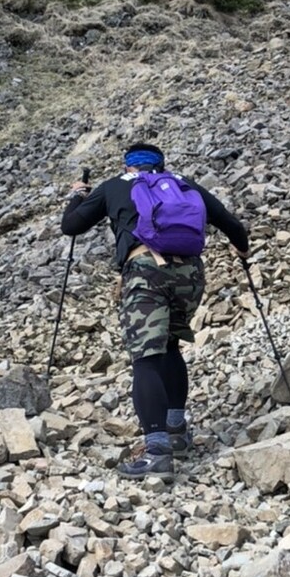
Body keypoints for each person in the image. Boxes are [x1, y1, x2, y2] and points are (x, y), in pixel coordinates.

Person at [61, 141, 250, 479]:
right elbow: (233, 225)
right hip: (190, 276)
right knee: (170, 346)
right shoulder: (182, 184)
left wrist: (77, 195)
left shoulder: (114, 186)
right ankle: (176, 432)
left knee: (146, 357)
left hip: (145, 271)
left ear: (128, 166)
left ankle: (157, 452)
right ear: (161, 165)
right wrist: (243, 251)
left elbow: (71, 225)